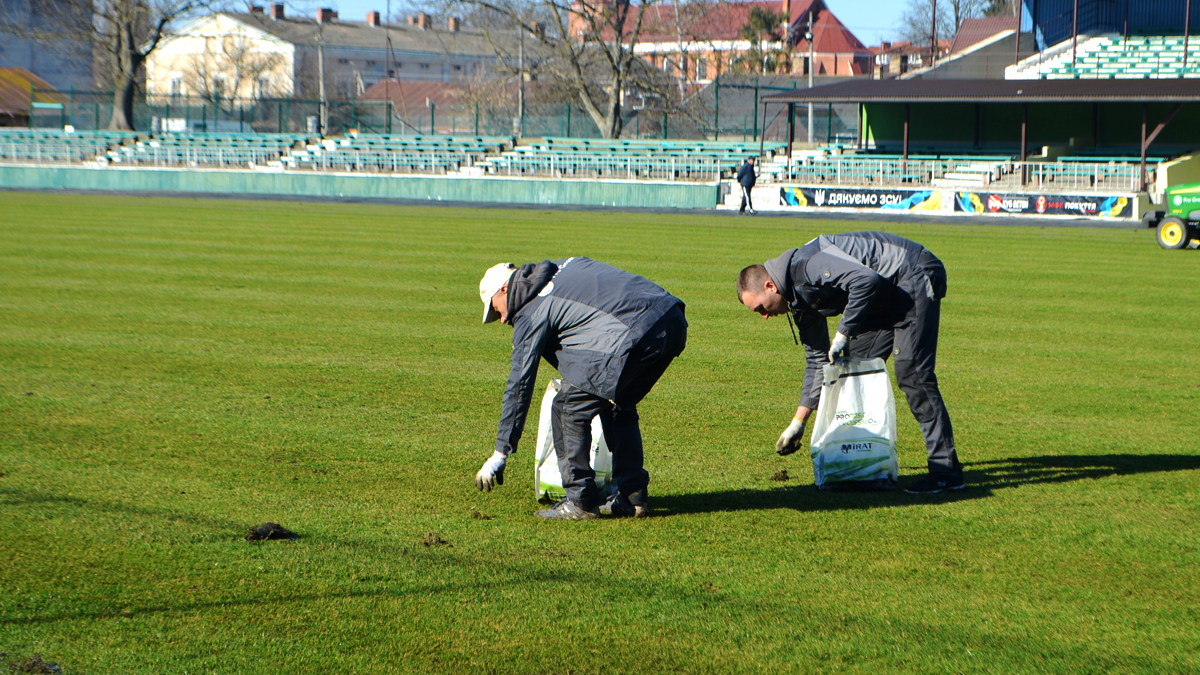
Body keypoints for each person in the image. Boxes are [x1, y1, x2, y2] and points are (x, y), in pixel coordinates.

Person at [736, 231, 965, 494]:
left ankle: (946, 471)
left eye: (761, 309)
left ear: (770, 287)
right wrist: (799, 422)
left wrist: (844, 332)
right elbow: (817, 362)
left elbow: (865, 280)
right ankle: (862, 466)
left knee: (913, 375)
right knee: (854, 372)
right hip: (882, 295)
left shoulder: (808, 265)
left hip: (911, 274)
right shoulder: (797, 302)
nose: (764, 316)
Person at [474, 257, 687, 519]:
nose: (502, 319)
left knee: (567, 407)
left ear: (505, 289)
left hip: (631, 334)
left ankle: (580, 503)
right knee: (618, 402)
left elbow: (520, 383)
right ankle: (633, 499)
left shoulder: (530, 308)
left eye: (496, 310)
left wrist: (501, 451)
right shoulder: (563, 266)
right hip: (671, 319)